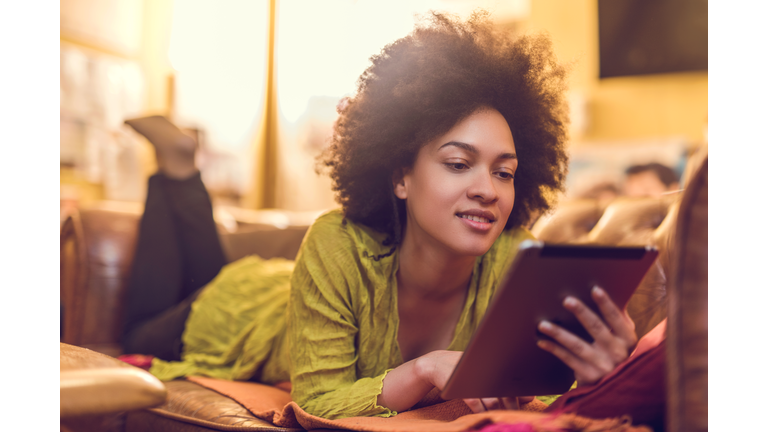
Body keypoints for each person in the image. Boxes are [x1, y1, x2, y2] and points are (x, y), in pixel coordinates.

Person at [122, 12, 639, 420]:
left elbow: (534, 400)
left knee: (202, 264)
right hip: (238, 314)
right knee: (138, 328)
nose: (487, 189)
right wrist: (424, 371)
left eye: (505, 172)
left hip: (285, 288)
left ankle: (181, 173)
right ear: (400, 177)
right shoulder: (334, 243)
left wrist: (602, 380)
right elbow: (317, 399)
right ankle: (177, 170)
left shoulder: (518, 263)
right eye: (459, 163)